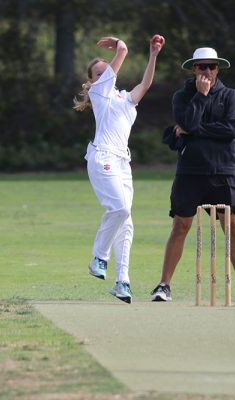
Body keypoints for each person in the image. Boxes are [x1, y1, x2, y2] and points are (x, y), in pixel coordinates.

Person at [151, 47, 235, 302]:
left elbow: (230, 131)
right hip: (190, 171)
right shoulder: (182, 96)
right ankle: (163, 285)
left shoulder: (231, 96)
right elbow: (187, 122)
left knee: (232, 227)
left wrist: (192, 130)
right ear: (194, 69)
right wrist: (200, 98)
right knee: (181, 225)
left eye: (211, 67)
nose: (207, 72)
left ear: (218, 69)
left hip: (223, 171)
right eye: (202, 67)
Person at [73, 35, 164, 303]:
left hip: (123, 162)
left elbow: (145, 84)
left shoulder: (124, 99)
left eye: (107, 70)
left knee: (127, 221)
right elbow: (123, 49)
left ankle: (122, 281)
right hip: (102, 157)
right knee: (120, 209)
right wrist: (117, 43)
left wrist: (153, 55)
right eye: (98, 73)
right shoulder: (99, 93)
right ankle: (99, 258)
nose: (105, 73)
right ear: (91, 81)